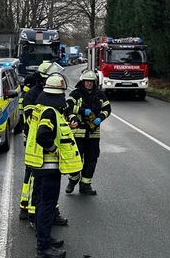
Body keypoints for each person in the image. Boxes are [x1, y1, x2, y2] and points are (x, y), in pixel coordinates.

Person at [25, 73, 82, 258]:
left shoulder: (41, 108)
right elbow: (43, 134)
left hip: (39, 166)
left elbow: (47, 129)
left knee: (43, 204)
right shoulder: (49, 111)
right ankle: (43, 248)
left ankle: (46, 239)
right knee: (47, 206)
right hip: (47, 167)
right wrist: (53, 149)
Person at [20, 63, 68, 226]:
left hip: (48, 145)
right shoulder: (34, 95)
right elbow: (30, 121)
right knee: (35, 181)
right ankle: (31, 213)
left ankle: (49, 213)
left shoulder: (50, 94)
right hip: (37, 147)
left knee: (49, 185)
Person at [64, 70, 111, 195]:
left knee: (91, 160)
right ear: (83, 81)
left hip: (93, 134)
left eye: (91, 82)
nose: (89, 84)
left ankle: (85, 185)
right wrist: (81, 111)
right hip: (78, 133)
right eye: (87, 81)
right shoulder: (75, 94)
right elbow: (67, 107)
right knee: (75, 160)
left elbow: (107, 108)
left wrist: (100, 118)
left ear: (95, 82)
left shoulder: (100, 95)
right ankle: (73, 180)